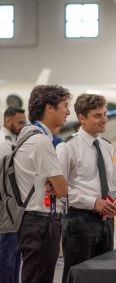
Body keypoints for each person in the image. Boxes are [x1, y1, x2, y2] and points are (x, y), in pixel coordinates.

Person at [56, 93, 116, 283]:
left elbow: (114, 182)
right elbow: (60, 190)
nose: (104, 120)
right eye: (98, 116)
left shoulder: (107, 146)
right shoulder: (67, 147)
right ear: (82, 118)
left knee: (103, 275)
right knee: (77, 276)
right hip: (79, 221)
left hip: (107, 221)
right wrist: (94, 203)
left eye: (105, 114)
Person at [14, 85, 70, 283]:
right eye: (64, 106)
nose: (68, 112)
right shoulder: (41, 142)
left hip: (31, 220)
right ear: (49, 107)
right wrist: (57, 182)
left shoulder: (26, 135)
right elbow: (62, 189)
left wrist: (55, 181)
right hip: (41, 222)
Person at [0, 107, 26, 283]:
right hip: (6, 212)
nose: (23, 125)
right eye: (20, 122)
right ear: (8, 120)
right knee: (6, 262)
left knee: (15, 258)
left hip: (16, 210)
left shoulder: (15, 140)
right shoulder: (3, 142)